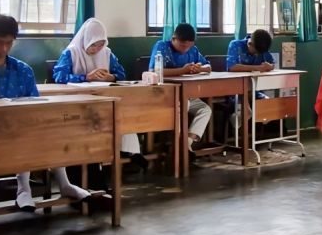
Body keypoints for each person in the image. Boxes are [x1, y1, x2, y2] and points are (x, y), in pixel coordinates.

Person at [0, 14, 90, 213]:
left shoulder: (23, 70)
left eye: (9, 43)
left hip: (20, 133)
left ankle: (50, 186)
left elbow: (36, 108)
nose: (4, 48)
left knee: (49, 131)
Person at [53, 18, 145, 168]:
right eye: (93, 45)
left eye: (101, 44)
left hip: (104, 99)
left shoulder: (107, 53)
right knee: (97, 121)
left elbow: (121, 73)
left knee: (121, 115)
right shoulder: (72, 53)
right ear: (85, 40)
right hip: (78, 103)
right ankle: (98, 160)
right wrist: (85, 77)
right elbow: (59, 77)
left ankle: (131, 152)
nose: (97, 49)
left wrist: (112, 77)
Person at [149, 23, 212, 151]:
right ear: (173, 38)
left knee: (205, 110)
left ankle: (187, 142)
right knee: (184, 104)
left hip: (188, 94)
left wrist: (199, 69)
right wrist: (182, 70)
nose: (186, 49)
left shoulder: (193, 50)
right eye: (183, 45)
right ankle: (177, 144)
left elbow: (208, 67)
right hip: (167, 95)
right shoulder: (162, 47)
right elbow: (154, 71)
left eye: (189, 46)